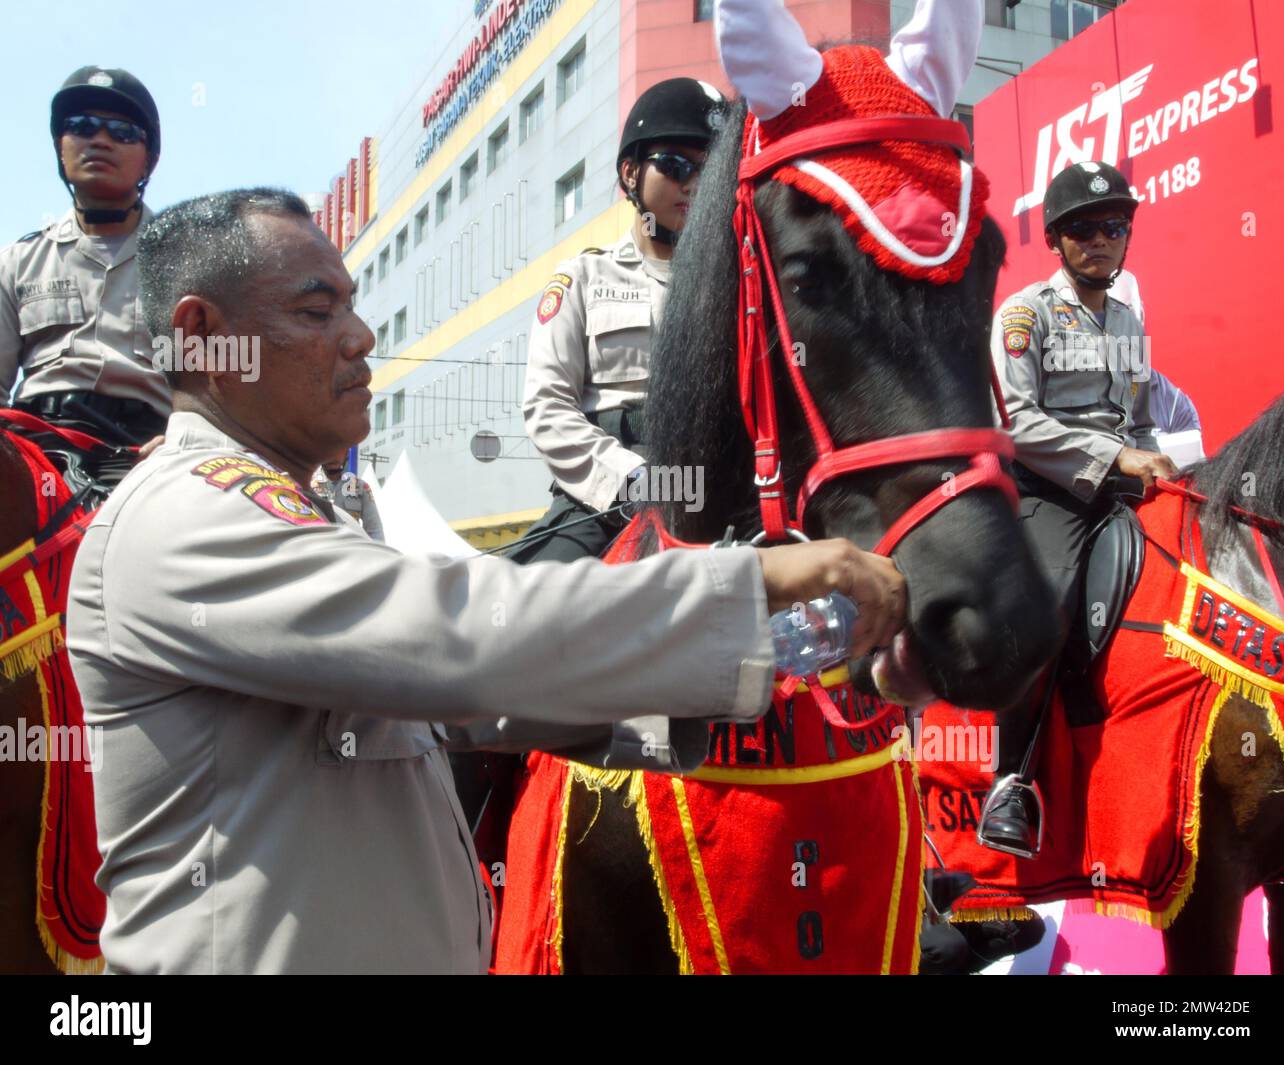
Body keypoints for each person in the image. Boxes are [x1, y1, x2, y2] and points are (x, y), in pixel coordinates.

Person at [64, 188, 908, 974]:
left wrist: (754, 679)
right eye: (318, 311)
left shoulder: (308, 511)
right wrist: (750, 584)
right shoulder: (189, 513)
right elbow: (455, 636)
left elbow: (450, 710)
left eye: (353, 305)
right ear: (205, 334)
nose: (360, 336)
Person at [980, 161, 1178, 854]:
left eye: (1114, 228)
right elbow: (1016, 425)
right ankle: (1012, 782)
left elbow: (1142, 421)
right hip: (1050, 493)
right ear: (1057, 240)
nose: (1102, 241)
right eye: (1085, 230)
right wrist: (1117, 457)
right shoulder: (1024, 314)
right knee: (1046, 608)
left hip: (1126, 486)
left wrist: (1156, 464)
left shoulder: (1128, 318)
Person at [512, 78, 724, 563]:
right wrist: (636, 482)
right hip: (605, 500)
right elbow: (547, 407)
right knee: (532, 614)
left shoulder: (742, 284)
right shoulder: (582, 278)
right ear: (630, 173)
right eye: (676, 165)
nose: (693, 184)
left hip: (719, 493)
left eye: (710, 172)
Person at [0, 66, 169, 447]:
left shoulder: (188, 263)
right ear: (61, 146)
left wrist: (183, 446)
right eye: (82, 126)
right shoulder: (16, 264)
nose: (101, 141)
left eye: (123, 132)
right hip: (35, 446)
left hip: (150, 453)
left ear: (149, 160)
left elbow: (225, 384)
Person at [311, 450, 385, 541]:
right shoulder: (307, 486)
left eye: (339, 449)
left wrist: (376, 553)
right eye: (329, 449)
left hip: (351, 550)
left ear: (346, 454)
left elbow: (375, 531)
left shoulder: (360, 487)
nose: (333, 455)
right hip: (318, 549)